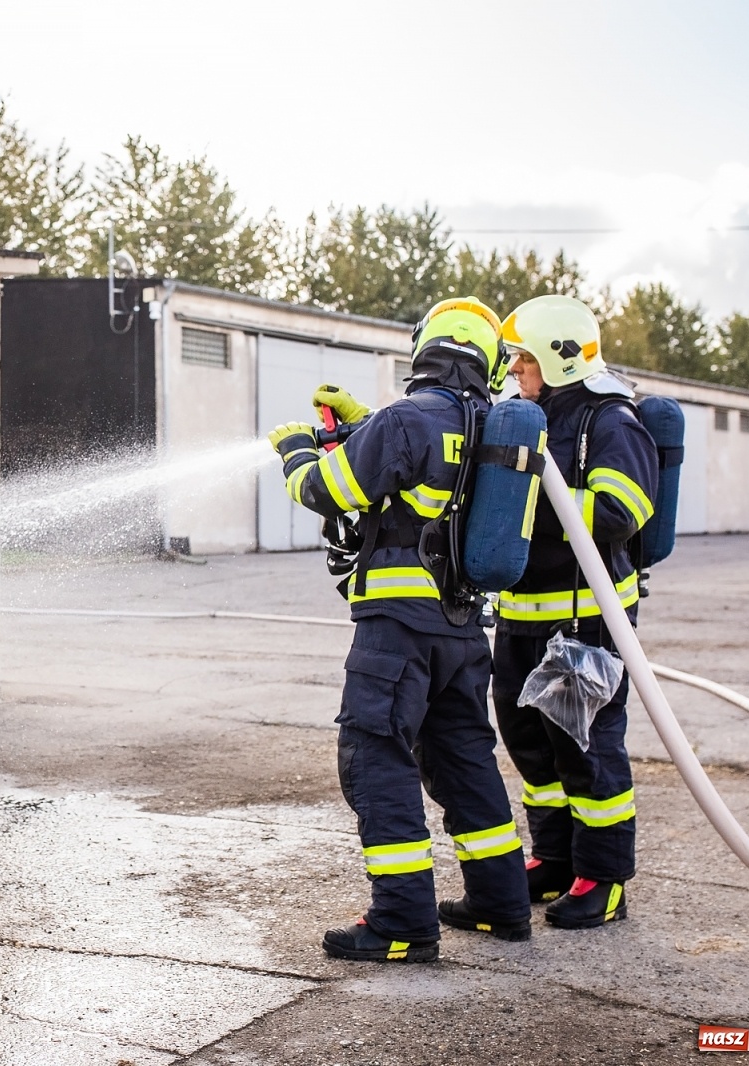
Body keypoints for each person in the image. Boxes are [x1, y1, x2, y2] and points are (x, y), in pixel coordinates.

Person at [268, 298, 531, 963]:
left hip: (396, 631)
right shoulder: (489, 426)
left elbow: (329, 491)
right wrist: (364, 426)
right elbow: (414, 469)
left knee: (375, 759)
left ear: (428, 350)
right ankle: (501, 906)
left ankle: (403, 923)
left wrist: (299, 450)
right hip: (462, 630)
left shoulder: (409, 418)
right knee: (465, 761)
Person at [492, 294, 659, 929]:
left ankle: (604, 877)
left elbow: (624, 509)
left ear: (560, 358)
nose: (514, 371)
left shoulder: (608, 420)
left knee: (585, 748)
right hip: (519, 617)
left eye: (524, 359)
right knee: (531, 745)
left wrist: (534, 502)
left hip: (584, 619)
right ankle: (556, 859)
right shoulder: (522, 416)